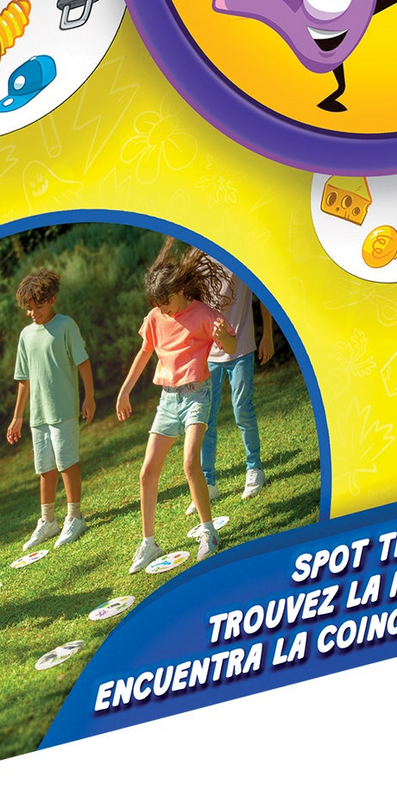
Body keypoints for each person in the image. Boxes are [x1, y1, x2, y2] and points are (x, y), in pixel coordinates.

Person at [117, 239, 234, 571]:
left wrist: (222, 335)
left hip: (197, 394)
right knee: (147, 471)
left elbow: (230, 345)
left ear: (181, 290)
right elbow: (144, 353)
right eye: (158, 304)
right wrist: (125, 391)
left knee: (189, 462)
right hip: (168, 399)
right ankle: (148, 544)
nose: (163, 309)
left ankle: (208, 532)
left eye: (166, 302)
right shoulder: (156, 317)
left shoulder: (204, 315)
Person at [6, 267, 95, 549]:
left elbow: (83, 363)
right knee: (45, 468)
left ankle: (75, 516)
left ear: (52, 299)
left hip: (64, 410)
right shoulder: (25, 335)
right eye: (29, 308)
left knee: (67, 463)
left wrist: (89, 398)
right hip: (38, 415)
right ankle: (48, 521)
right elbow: (24, 379)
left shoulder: (66, 325)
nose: (33, 313)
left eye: (38, 306)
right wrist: (17, 416)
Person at [192, 268, 274, 512]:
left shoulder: (239, 260)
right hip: (209, 353)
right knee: (205, 418)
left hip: (241, 348)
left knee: (242, 410)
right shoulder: (198, 259)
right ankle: (208, 483)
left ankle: (254, 468)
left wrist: (267, 334)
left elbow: (263, 292)